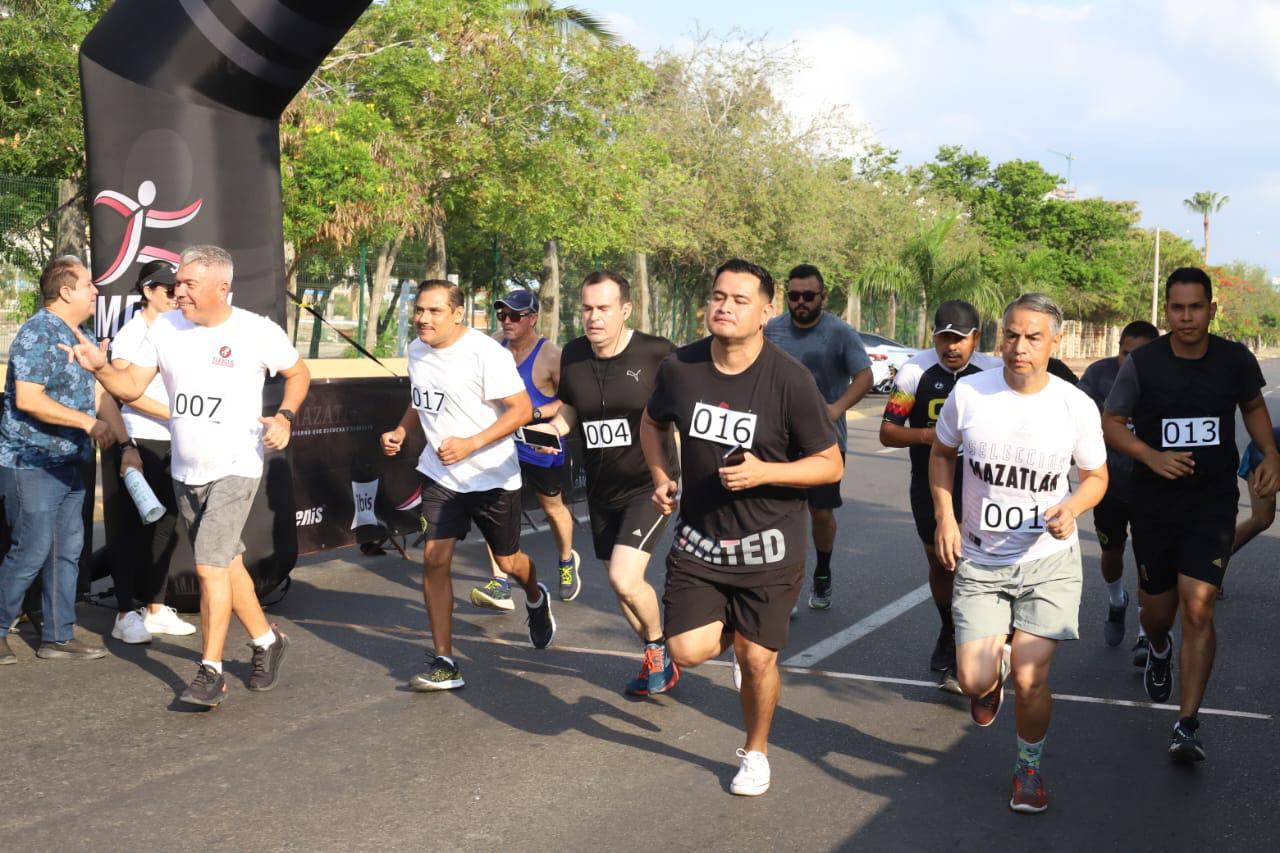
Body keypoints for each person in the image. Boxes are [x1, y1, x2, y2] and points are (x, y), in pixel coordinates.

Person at [64, 245, 311, 707]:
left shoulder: (257, 330)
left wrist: (285, 416)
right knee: (227, 561)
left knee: (209, 565)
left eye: (190, 285)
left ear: (223, 287)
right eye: (178, 284)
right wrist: (100, 369)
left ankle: (210, 670)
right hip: (186, 468)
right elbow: (131, 387)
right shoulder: (167, 329)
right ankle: (265, 640)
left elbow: (298, 373)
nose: (180, 292)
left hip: (236, 465)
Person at [640, 258, 842, 796]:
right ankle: (737, 633)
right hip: (700, 542)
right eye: (718, 296)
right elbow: (652, 422)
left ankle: (755, 753)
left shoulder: (790, 381)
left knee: (756, 659)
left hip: (769, 546)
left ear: (766, 312)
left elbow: (829, 463)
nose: (725, 307)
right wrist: (661, 474)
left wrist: (765, 472)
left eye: (740, 300)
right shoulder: (680, 368)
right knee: (684, 651)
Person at [931, 293, 1108, 814]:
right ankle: (990, 676)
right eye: (1011, 335)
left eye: (1033, 337)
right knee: (972, 679)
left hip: (1047, 564)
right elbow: (941, 456)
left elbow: (1096, 477)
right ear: (998, 338)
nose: (1019, 347)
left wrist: (1071, 508)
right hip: (983, 562)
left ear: (1056, 341)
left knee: (1033, 679)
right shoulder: (970, 393)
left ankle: (1027, 769)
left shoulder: (1075, 405)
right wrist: (945, 516)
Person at [1103, 267, 1280, 763]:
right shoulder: (1145, 364)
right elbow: (1112, 423)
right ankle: (1158, 648)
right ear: (1167, 312)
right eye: (1177, 308)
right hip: (1155, 505)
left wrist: (1270, 454)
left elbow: (1252, 407)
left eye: (1195, 307)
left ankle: (1187, 724)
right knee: (1158, 614)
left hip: (1212, 503)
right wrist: (1151, 456)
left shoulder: (1235, 359)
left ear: (1211, 310)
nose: (1186, 317)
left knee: (1198, 605)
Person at [380, 279, 555, 692]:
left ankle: (535, 595)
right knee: (435, 561)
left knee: (510, 563)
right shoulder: (417, 349)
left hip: (492, 476)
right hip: (441, 476)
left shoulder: (485, 354)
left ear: (458, 314)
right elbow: (420, 398)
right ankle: (445, 661)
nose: (423, 318)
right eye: (419, 310)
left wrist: (472, 443)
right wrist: (403, 430)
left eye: (434, 311)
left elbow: (522, 409)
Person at [526, 271, 681, 695]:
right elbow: (572, 411)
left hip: (648, 485)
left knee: (623, 578)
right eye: (587, 308)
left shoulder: (657, 354)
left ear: (625, 310)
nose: (593, 317)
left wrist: (678, 476)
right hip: (602, 489)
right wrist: (552, 431)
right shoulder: (574, 355)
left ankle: (656, 648)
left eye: (603, 309)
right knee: (621, 588)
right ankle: (660, 657)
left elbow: (688, 410)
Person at [879, 300, 1000, 693]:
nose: (951, 346)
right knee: (941, 562)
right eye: (943, 337)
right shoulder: (915, 371)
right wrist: (933, 436)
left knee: (973, 567)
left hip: (982, 486)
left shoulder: (993, 372)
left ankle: (974, 644)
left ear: (975, 339)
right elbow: (888, 431)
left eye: (959, 339)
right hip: (931, 484)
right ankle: (949, 627)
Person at [0, 256, 112, 665]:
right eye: (88, 285)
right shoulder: (37, 333)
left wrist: (118, 432)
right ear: (65, 291)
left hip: (71, 463)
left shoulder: (82, 336)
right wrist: (87, 424)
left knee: (67, 550)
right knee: (30, 550)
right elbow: (29, 399)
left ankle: (58, 637)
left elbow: (99, 393)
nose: (95, 291)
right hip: (32, 464)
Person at [764, 264, 872, 609]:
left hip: (824, 442)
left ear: (822, 296)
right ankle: (786, 585)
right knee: (779, 515)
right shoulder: (772, 330)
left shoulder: (840, 333)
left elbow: (865, 377)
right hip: (779, 440)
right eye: (794, 296)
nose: (801, 302)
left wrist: (835, 409)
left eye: (808, 296)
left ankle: (822, 572)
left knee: (819, 513)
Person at [100, 260, 197, 644]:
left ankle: (155, 608)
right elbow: (124, 391)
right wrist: (177, 414)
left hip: (173, 442)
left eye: (179, 288)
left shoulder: (177, 330)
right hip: (139, 442)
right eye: (168, 290)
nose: (177, 295)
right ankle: (125, 612)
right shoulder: (132, 333)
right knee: (130, 532)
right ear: (148, 292)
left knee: (167, 528)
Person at [471, 287, 580, 609]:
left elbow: (569, 399)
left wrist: (534, 414)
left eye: (515, 316)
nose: (507, 321)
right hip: (504, 440)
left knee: (552, 508)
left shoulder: (551, 355)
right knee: (497, 507)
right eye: (502, 314)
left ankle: (565, 561)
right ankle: (499, 582)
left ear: (532, 318)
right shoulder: (494, 344)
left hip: (540, 440)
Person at [1077, 321, 1158, 660]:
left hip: (1153, 488)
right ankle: (1115, 600)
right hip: (1108, 485)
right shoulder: (1098, 376)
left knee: (1148, 563)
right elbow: (1073, 418)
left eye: (1140, 355)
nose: (1131, 360)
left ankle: (1144, 633)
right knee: (1111, 556)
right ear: (1118, 348)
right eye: (1126, 353)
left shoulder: (1168, 378)